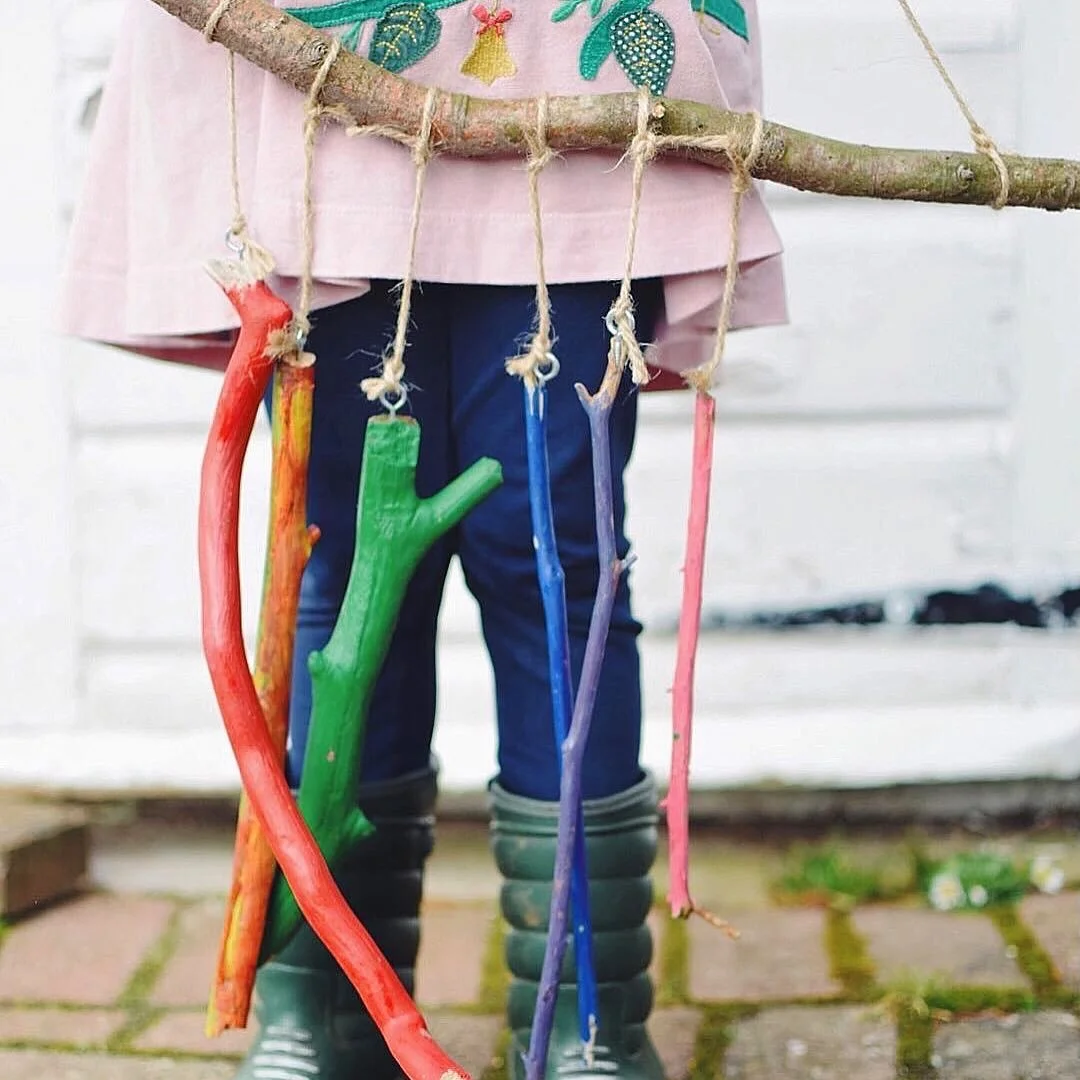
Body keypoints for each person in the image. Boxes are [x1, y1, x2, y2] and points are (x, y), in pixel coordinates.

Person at [60, 2, 786, 1079]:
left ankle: (591, 1016)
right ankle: (330, 998)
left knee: (556, 562)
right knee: (347, 560)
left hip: (561, 91)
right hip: (319, 83)